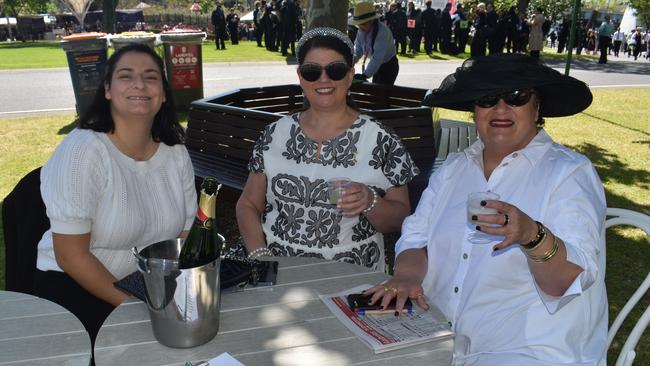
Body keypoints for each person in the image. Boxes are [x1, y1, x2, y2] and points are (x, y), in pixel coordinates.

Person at [365, 53, 606, 365]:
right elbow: (416, 237)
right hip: (438, 339)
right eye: (487, 98)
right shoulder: (454, 168)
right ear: (474, 110)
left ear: (537, 107)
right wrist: (407, 276)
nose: (501, 108)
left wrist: (531, 235)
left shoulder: (569, 173)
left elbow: (566, 284)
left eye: (517, 97)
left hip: (527, 351)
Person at [34, 44, 196, 347]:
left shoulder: (176, 153)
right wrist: (138, 307)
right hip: (75, 287)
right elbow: (71, 256)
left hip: (146, 285)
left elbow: (183, 235)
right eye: (126, 76)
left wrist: (174, 295)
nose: (139, 84)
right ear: (107, 89)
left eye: (151, 77)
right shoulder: (83, 150)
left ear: (162, 93)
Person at [236, 27, 418, 270]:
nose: (324, 79)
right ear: (300, 76)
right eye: (312, 71)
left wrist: (370, 201)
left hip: (351, 277)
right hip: (278, 272)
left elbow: (400, 219)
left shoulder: (382, 139)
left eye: (335, 70)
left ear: (350, 75)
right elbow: (248, 203)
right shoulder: (274, 134)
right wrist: (261, 258)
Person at [351, 2, 400, 85]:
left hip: (389, 66)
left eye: (363, 24)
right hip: (378, 66)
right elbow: (358, 49)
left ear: (371, 21)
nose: (361, 27)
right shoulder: (361, 31)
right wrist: (351, 61)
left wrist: (365, 75)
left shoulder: (383, 32)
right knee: (375, 92)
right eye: (359, 24)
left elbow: (377, 58)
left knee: (381, 94)